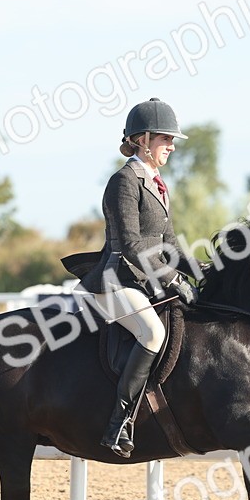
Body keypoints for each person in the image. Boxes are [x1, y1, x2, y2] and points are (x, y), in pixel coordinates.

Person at [78, 98, 197, 457]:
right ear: (143, 139)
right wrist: (173, 281)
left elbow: (170, 243)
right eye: (166, 140)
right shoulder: (123, 181)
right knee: (153, 332)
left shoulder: (158, 184)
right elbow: (130, 244)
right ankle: (119, 424)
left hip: (144, 280)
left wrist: (201, 272)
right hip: (115, 279)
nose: (172, 147)